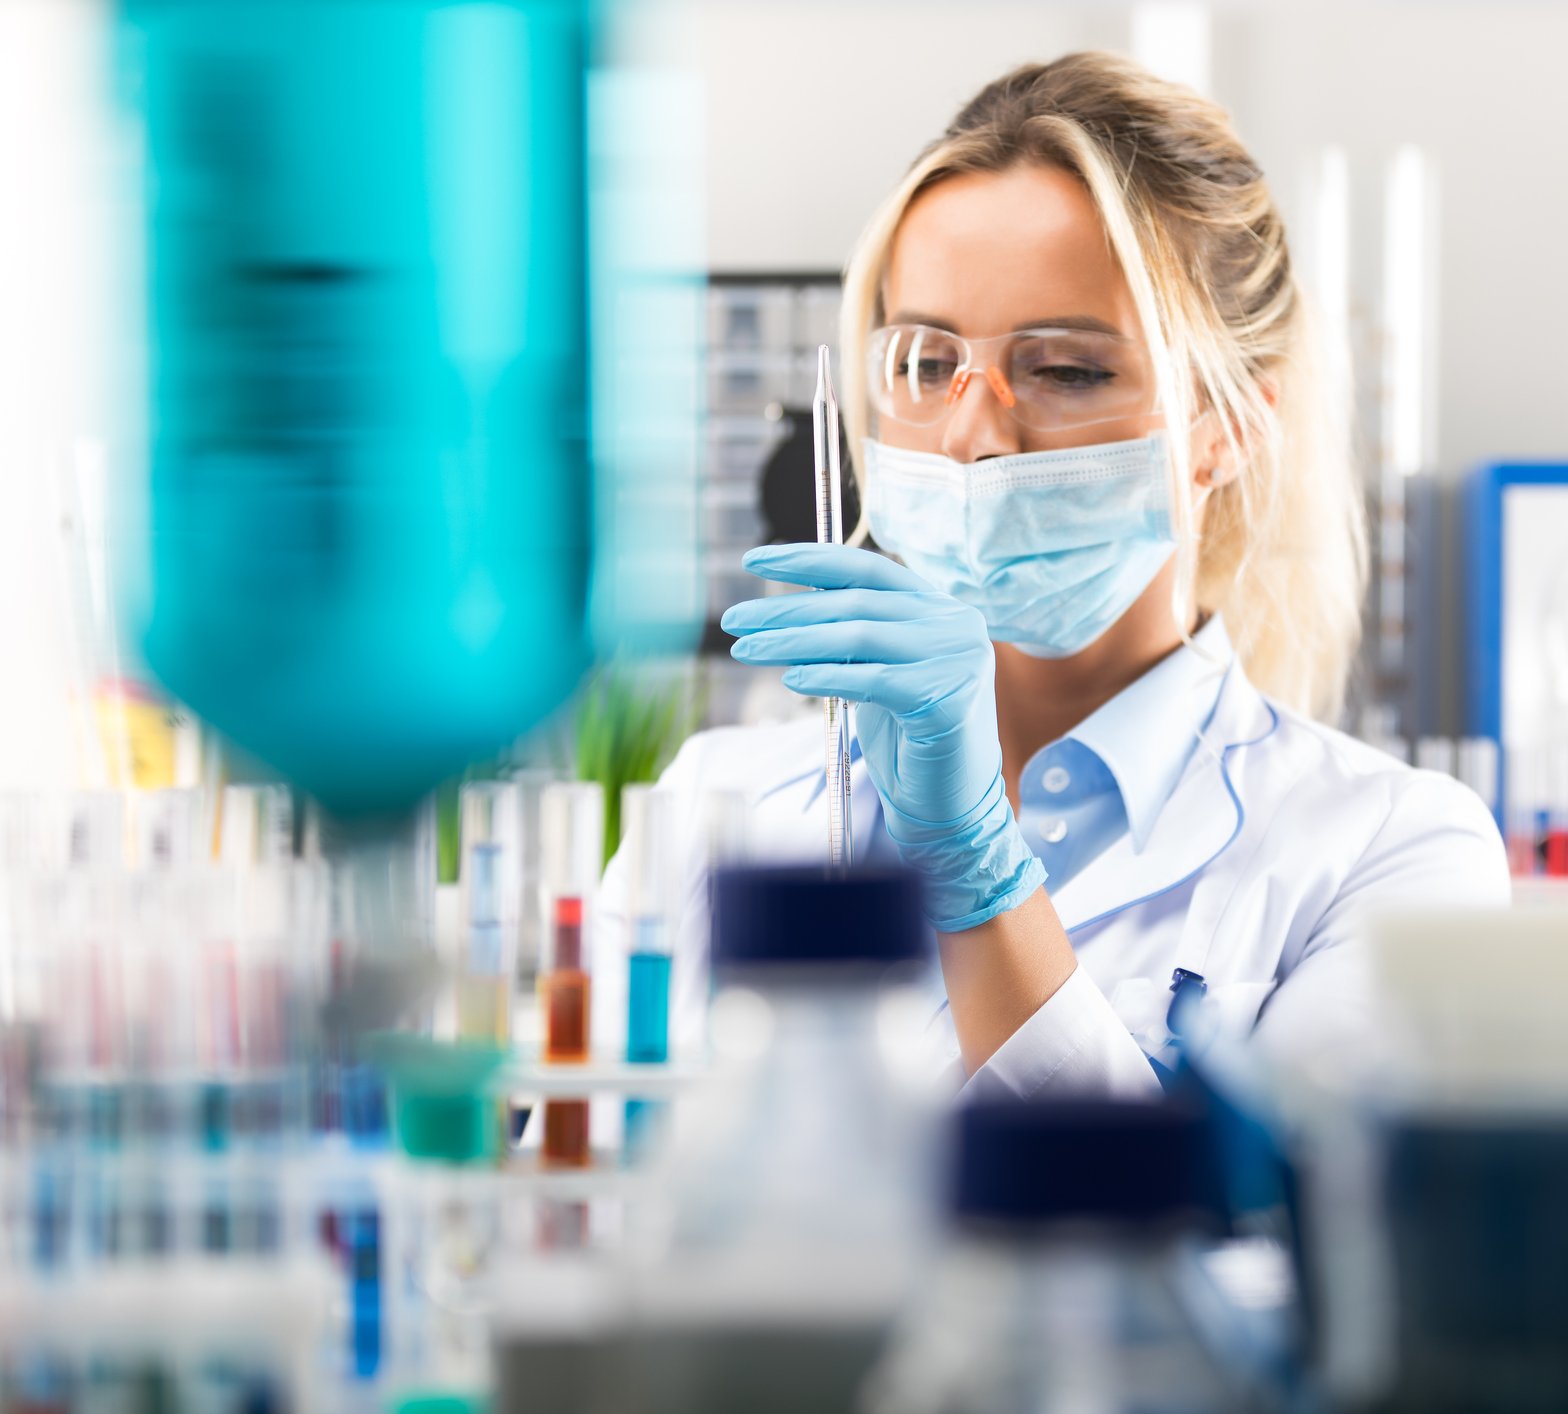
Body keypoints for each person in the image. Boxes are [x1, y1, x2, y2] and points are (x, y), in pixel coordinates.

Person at [596, 51, 1507, 1097]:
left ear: (1228, 431)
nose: (973, 435)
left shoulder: (1388, 851)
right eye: (927, 366)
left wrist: (975, 865)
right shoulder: (721, 800)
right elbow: (580, 1206)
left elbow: (1284, 1243)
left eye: (1067, 368)